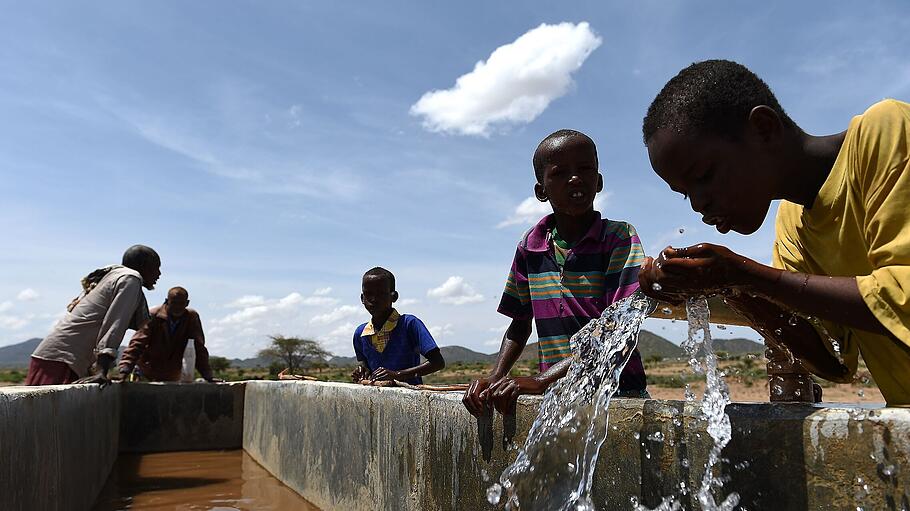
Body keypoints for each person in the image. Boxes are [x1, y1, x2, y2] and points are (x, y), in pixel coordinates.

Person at [638, 58, 910, 405]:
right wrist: (731, 286)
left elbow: (902, 302)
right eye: (686, 193)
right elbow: (832, 359)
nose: (698, 204)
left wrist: (747, 277)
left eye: (704, 176)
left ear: (764, 128)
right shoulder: (792, 222)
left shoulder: (885, 132)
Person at [463, 129, 648, 417]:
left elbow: (618, 329)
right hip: (559, 395)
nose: (575, 178)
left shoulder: (618, 238)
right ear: (541, 191)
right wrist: (496, 376)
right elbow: (520, 324)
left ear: (598, 182)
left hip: (620, 393)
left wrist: (542, 379)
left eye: (585, 169)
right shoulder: (530, 246)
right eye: (560, 173)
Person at [26, 245, 161, 386]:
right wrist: (102, 371)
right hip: (62, 360)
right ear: (143, 265)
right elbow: (115, 324)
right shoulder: (130, 279)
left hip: (56, 358)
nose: (159, 274)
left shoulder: (113, 276)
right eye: (156, 267)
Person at [350, 267, 445, 385]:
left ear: (393, 296)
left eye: (381, 293)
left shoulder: (409, 324)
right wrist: (363, 372)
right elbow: (367, 367)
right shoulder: (361, 333)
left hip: (410, 398)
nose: (374, 299)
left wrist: (397, 375)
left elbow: (438, 362)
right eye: (368, 294)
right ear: (362, 298)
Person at [118, 286, 220, 382]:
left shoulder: (191, 318)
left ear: (187, 303)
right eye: (174, 303)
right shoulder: (153, 316)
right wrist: (124, 370)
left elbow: (198, 348)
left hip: (173, 375)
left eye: (181, 303)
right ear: (167, 301)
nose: (177, 307)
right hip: (146, 372)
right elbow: (136, 344)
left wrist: (208, 375)